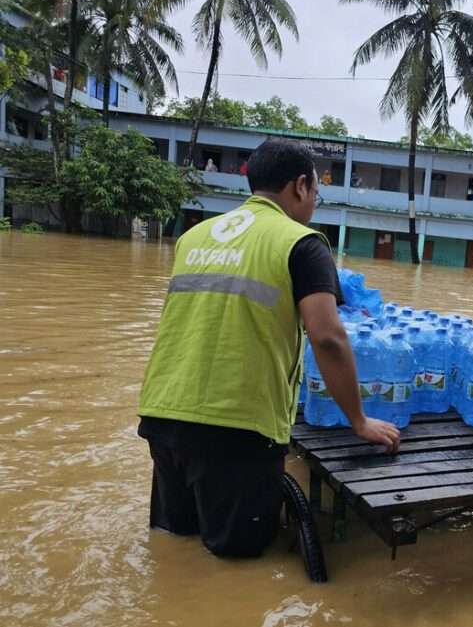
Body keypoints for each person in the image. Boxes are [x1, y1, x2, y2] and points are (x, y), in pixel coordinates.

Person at [137, 140, 400, 558]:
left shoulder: (193, 236)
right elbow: (328, 337)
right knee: (238, 567)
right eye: (317, 192)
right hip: (237, 428)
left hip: (163, 415)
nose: (315, 202)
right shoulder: (302, 243)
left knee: (175, 549)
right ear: (299, 187)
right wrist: (359, 419)